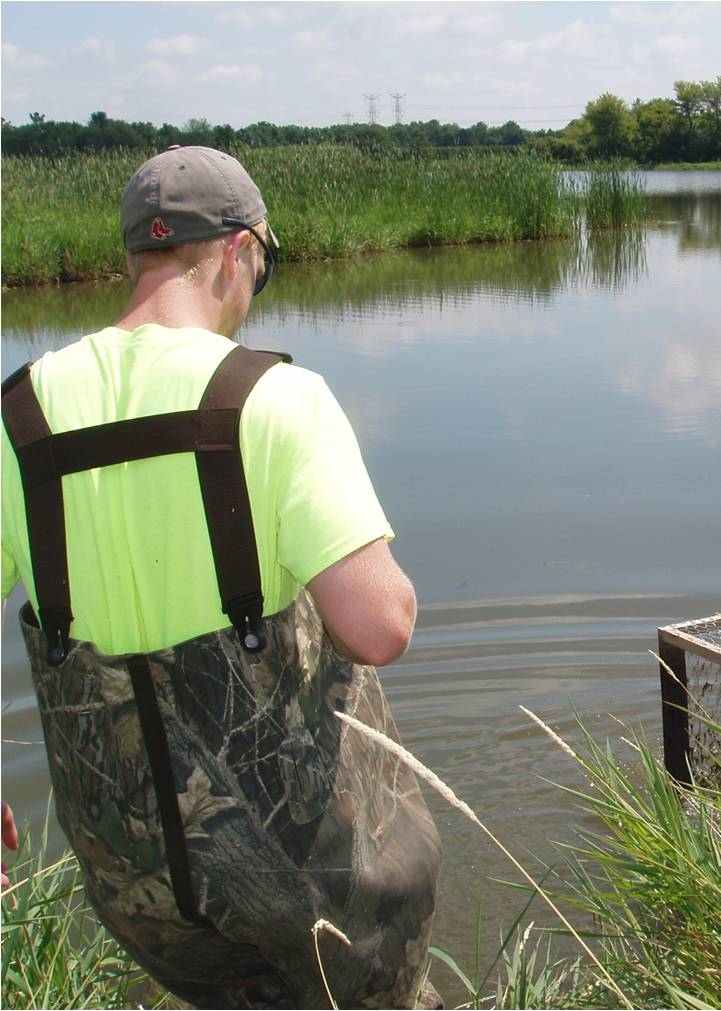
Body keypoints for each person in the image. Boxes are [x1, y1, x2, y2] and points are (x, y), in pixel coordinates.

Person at [1, 146, 442, 1009]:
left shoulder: (22, 416)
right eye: (264, 265)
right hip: (298, 868)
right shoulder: (277, 398)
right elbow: (379, 626)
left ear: (138, 256)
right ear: (239, 251)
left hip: (130, 874)